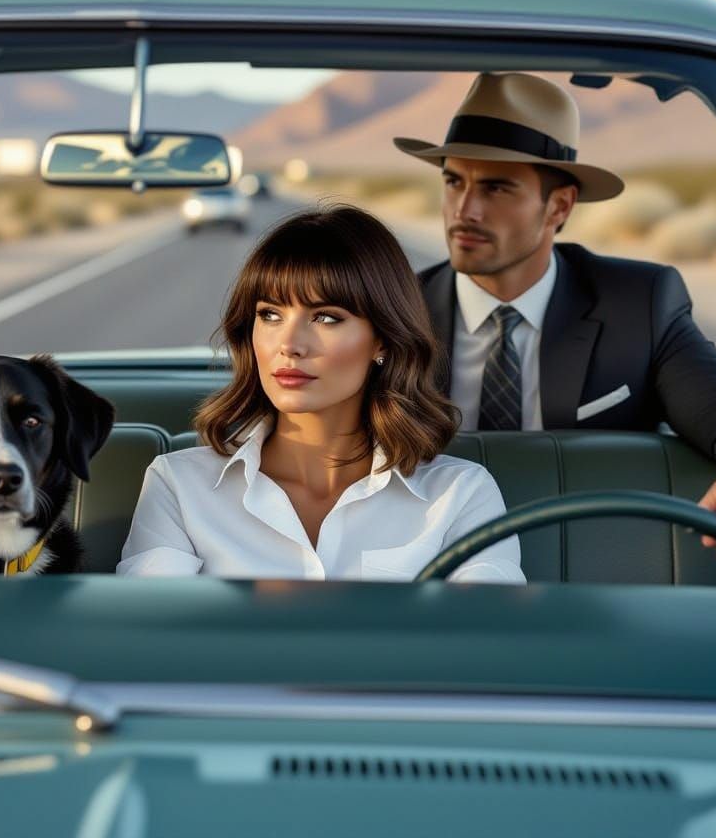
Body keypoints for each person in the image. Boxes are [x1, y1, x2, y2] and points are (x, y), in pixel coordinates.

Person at [394, 71, 716, 571]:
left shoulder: (637, 305)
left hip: (597, 571)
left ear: (560, 206)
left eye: (497, 188)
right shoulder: (396, 310)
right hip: (428, 574)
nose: (466, 210)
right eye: (453, 181)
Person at [117, 205, 524, 583]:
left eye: (326, 317)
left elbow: (487, 644)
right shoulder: (178, 485)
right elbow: (151, 640)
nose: (290, 344)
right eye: (270, 315)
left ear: (382, 339)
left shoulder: (461, 493)